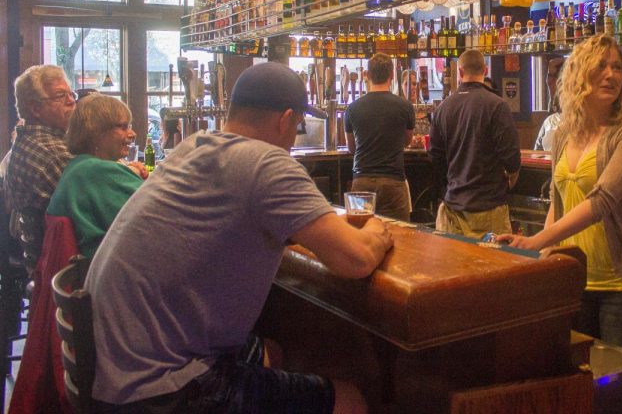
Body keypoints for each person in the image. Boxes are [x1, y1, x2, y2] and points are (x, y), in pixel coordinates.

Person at [85, 62, 393, 412]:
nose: (294, 137)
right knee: (350, 401)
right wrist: (378, 230)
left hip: (113, 370)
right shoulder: (267, 162)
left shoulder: (193, 147)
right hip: (162, 388)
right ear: (285, 119)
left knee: (274, 353)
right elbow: (355, 259)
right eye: (298, 126)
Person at [499, 35, 622, 355]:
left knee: (616, 393)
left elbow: (601, 202)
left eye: (617, 67)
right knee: (580, 384)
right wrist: (544, 252)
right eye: (600, 65)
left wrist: (536, 242)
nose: (611, 74)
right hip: (577, 281)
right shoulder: (562, 135)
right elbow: (558, 204)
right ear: (578, 73)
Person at [429, 49, 520, 238]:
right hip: (489, 207)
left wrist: (452, 182)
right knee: (494, 264)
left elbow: (436, 157)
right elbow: (512, 159)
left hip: (453, 207)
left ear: (460, 73)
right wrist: (510, 181)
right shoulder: (497, 105)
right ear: (485, 70)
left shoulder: (443, 108)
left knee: (456, 266)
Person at [47, 94, 144, 258]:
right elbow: (159, 212)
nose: (132, 133)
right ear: (97, 132)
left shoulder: (78, 166)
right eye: (123, 127)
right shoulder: (98, 171)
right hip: (111, 272)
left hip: (88, 270)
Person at [3, 65, 75, 272]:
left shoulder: (28, 141)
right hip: (63, 268)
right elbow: (99, 206)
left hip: (43, 261)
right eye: (61, 96)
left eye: (71, 94)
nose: (71, 101)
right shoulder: (53, 153)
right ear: (35, 108)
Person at [344, 53, 416, 221]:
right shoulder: (405, 106)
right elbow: (407, 141)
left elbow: (351, 148)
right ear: (392, 75)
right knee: (399, 236)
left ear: (367, 75)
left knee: (360, 234)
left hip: (361, 181)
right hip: (393, 182)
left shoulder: (353, 108)